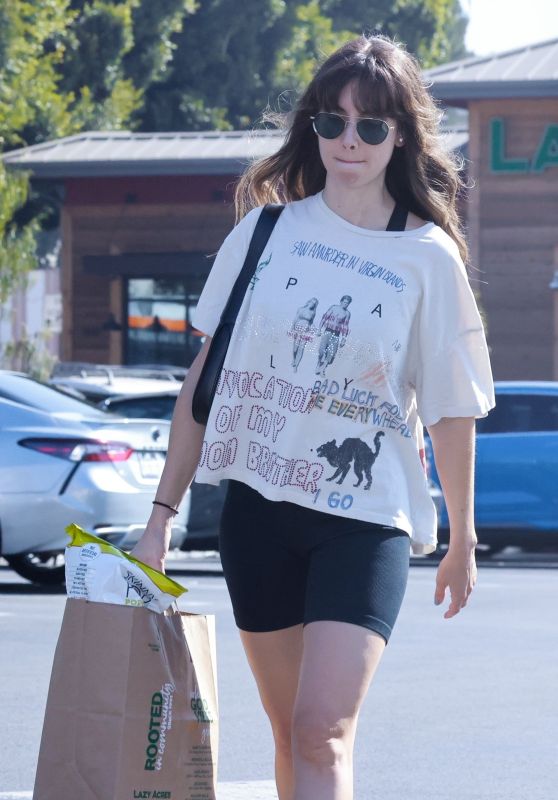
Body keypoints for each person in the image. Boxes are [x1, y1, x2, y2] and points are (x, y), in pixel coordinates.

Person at [132, 33, 495, 800]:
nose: (349, 142)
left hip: (364, 520)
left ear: (400, 135)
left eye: (370, 125)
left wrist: (462, 537)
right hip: (259, 512)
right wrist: (162, 515)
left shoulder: (428, 258)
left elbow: (451, 408)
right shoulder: (265, 232)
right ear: (313, 130)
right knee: (288, 731)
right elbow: (206, 381)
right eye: (333, 123)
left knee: (322, 729)